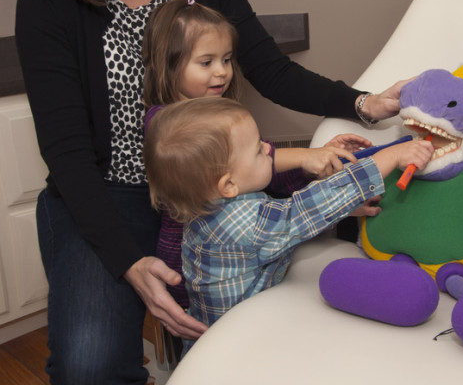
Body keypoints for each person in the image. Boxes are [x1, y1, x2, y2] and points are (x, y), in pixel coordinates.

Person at [14, 0, 414, 384]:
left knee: (236, 336)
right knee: (89, 365)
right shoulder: (46, 0)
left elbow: (270, 70)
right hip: (105, 196)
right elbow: (67, 152)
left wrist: (365, 104)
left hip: (210, 185)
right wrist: (128, 263)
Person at [143, 97, 434, 353]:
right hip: (238, 348)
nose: (269, 151)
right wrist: (390, 156)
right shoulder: (245, 224)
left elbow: (282, 223)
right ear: (228, 184)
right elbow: (301, 210)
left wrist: (343, 212)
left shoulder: (205, 205)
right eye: (258, 150)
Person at [142, 0, 378, 311]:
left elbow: (262, 175)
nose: (221, 73)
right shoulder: (169, 127)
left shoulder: (220, 114)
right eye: (206, 62)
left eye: (226, 60)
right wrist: (309, 158)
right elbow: (261, 177)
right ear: (169, 65)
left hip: (246, 268)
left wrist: (317, 165)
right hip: (199, 279)